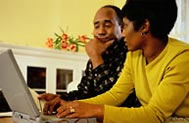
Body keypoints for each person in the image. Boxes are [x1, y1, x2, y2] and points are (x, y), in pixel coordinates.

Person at [55, 0, 189, 123]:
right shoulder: (135, 53)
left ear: (144, 26)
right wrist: (73, 106)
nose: (123, 33)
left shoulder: (182, 57)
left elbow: (155, 114)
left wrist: (96, 110)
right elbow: (116, 94)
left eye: (124, 25)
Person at [39, 5, 140, 115]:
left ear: (122, 28)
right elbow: (84, 93)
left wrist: (96, 58)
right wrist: (61, 98)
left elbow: (115, 99)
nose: (101, 31)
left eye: (107, 25)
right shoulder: (98, 52)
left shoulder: (130, 52)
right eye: (96, 26)